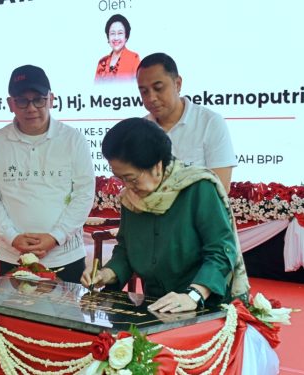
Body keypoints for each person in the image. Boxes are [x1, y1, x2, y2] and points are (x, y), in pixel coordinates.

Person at [80, 118, 249, 312]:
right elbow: (126, 250)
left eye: (132, 178)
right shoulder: (130, 199)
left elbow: (220, 251)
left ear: (157, 166)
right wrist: (106, 274)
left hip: (205, 304)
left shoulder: (197, 188)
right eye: (121, 179)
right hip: (156, 305)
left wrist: (193, 295)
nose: (127, 186)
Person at [0, 65, 95, 283]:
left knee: (66, 317)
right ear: (11, 104)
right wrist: (13, 237)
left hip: (65, 256)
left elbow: (84, 194)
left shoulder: (73, 140)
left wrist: (55, 237)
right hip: (14, 255)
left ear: (51, 99)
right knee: (15, 316)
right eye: (22, 100)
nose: (31, 108)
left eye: (38, 99)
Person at [136, 52, 236, 192]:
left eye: (158, 88)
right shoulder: (139, 131)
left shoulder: (210, 122)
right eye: (144, 92)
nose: (151, 97)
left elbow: (221, 188)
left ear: (177, 84)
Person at [95, 14, 141, 83]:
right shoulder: (102, 62)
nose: (116, 38)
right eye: (112, 33)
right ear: (108, 36)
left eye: (120, 33)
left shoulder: (134, 58)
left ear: (126, 36)